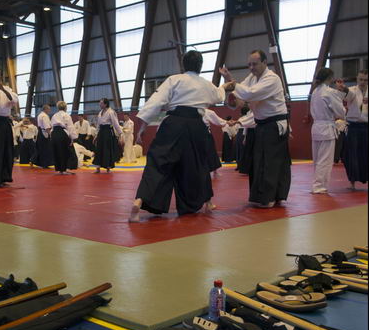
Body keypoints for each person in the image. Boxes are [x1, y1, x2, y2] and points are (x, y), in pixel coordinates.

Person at [129, 50, 229, 222]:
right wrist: (225, 84)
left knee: (158, 163)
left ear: (184, 64)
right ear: (200, 65)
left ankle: (139, 200)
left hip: (173, 124)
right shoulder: (206, 84)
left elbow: (156, 101)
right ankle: (206, 202)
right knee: (199, 165)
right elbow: (219, 95)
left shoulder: (174, 80)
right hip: (196, 126)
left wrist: (142, 127)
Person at [220, 49, 290, 208]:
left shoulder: (272, 79)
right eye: (249, 64)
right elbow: (240, 98)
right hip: (261, 124)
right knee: (259, 162)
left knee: (271, 163)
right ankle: (265, 196)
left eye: (255, 64)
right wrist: (232, 99)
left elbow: (250, 94)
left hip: (274, 125)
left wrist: (232, 81)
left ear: (265, 63)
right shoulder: (252, 78)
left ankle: (270, 198)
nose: (251, 67)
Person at [309, 67, 347, 194]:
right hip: (326, 128)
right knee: (325, 159)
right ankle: (319, 185)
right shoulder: (329, 92)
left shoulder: (315, 92)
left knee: (317, 159)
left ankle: (317, 183)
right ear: (330, 78)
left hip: (316, 127)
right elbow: (340, 111)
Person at [336, 69, 368, 189]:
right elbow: (349, 95)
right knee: (351, 155)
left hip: (366, 127)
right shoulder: (353, 90)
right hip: (353, 126)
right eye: (361, 79)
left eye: (365, 80)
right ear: (357, 79)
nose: (363, 82)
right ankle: (352, 182)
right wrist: (343, 88)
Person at [93, 98, 122, 173]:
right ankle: (97, 168)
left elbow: (115, 123)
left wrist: (120, 133)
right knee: (98, 149)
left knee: (107, 149)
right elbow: (98, 125)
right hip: (101, 132)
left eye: (101, 103)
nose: (100, 104)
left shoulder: (111, 112)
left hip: (107, 132)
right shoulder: (100, 112)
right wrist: (96, 135)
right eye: (100, 103)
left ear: (105, 104)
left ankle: (108, 167)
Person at [50, 101, 78, 174]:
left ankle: (59, 169)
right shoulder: (66, 115)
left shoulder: (54, 115)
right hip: (62, 133)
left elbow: (51, 126)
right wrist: (72, 138)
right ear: (65, 107)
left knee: (57, 151)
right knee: (65, 151)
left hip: (54, 133)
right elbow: (70, 127)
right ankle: (65, 169)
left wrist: (51, 136)